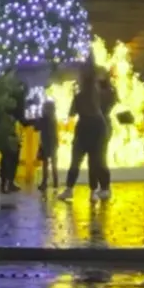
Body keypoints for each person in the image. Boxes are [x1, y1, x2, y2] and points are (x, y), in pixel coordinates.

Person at [60, 64, 114, 201]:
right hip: (94, 128)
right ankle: (91, 191)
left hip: (90, 128)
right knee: (93, 160)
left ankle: (75, 189)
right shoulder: (97, 94)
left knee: (84, 160)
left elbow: (71, 113)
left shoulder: (84, 95)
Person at [35, 95, 60, 192]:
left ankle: (44, 183)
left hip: (45, 143)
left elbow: (36, 128)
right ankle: (55, 183)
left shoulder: (43, 118)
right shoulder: (54, 118)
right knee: (54, 163)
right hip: (53, 142)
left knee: (45, 164)